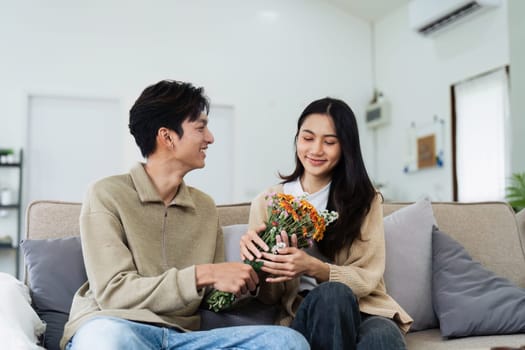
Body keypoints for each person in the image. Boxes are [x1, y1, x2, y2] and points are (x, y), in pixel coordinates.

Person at [60, 79, 309, 350]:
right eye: (200, 127)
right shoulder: (106, 194)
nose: (210, 138)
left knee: (287, 342)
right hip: (117, 325)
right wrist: (205, 273)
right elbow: (114, 294)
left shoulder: (204, 207)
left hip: (182, 338)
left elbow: (210, 297)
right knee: (106, 340)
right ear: (167, 136)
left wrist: (257, 269)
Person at [240, 97, 413, 350]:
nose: (316, 150)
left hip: (366, 308)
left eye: (329, 142)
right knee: (333, 294)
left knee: (382, 337)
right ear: (297, 139)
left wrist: (315, 267)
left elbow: (368, 278)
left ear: (346, 147)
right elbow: (269, 298)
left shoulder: (365, 200)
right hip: (306, 312)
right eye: (307, 138)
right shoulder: (268, 202)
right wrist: (261, 264)